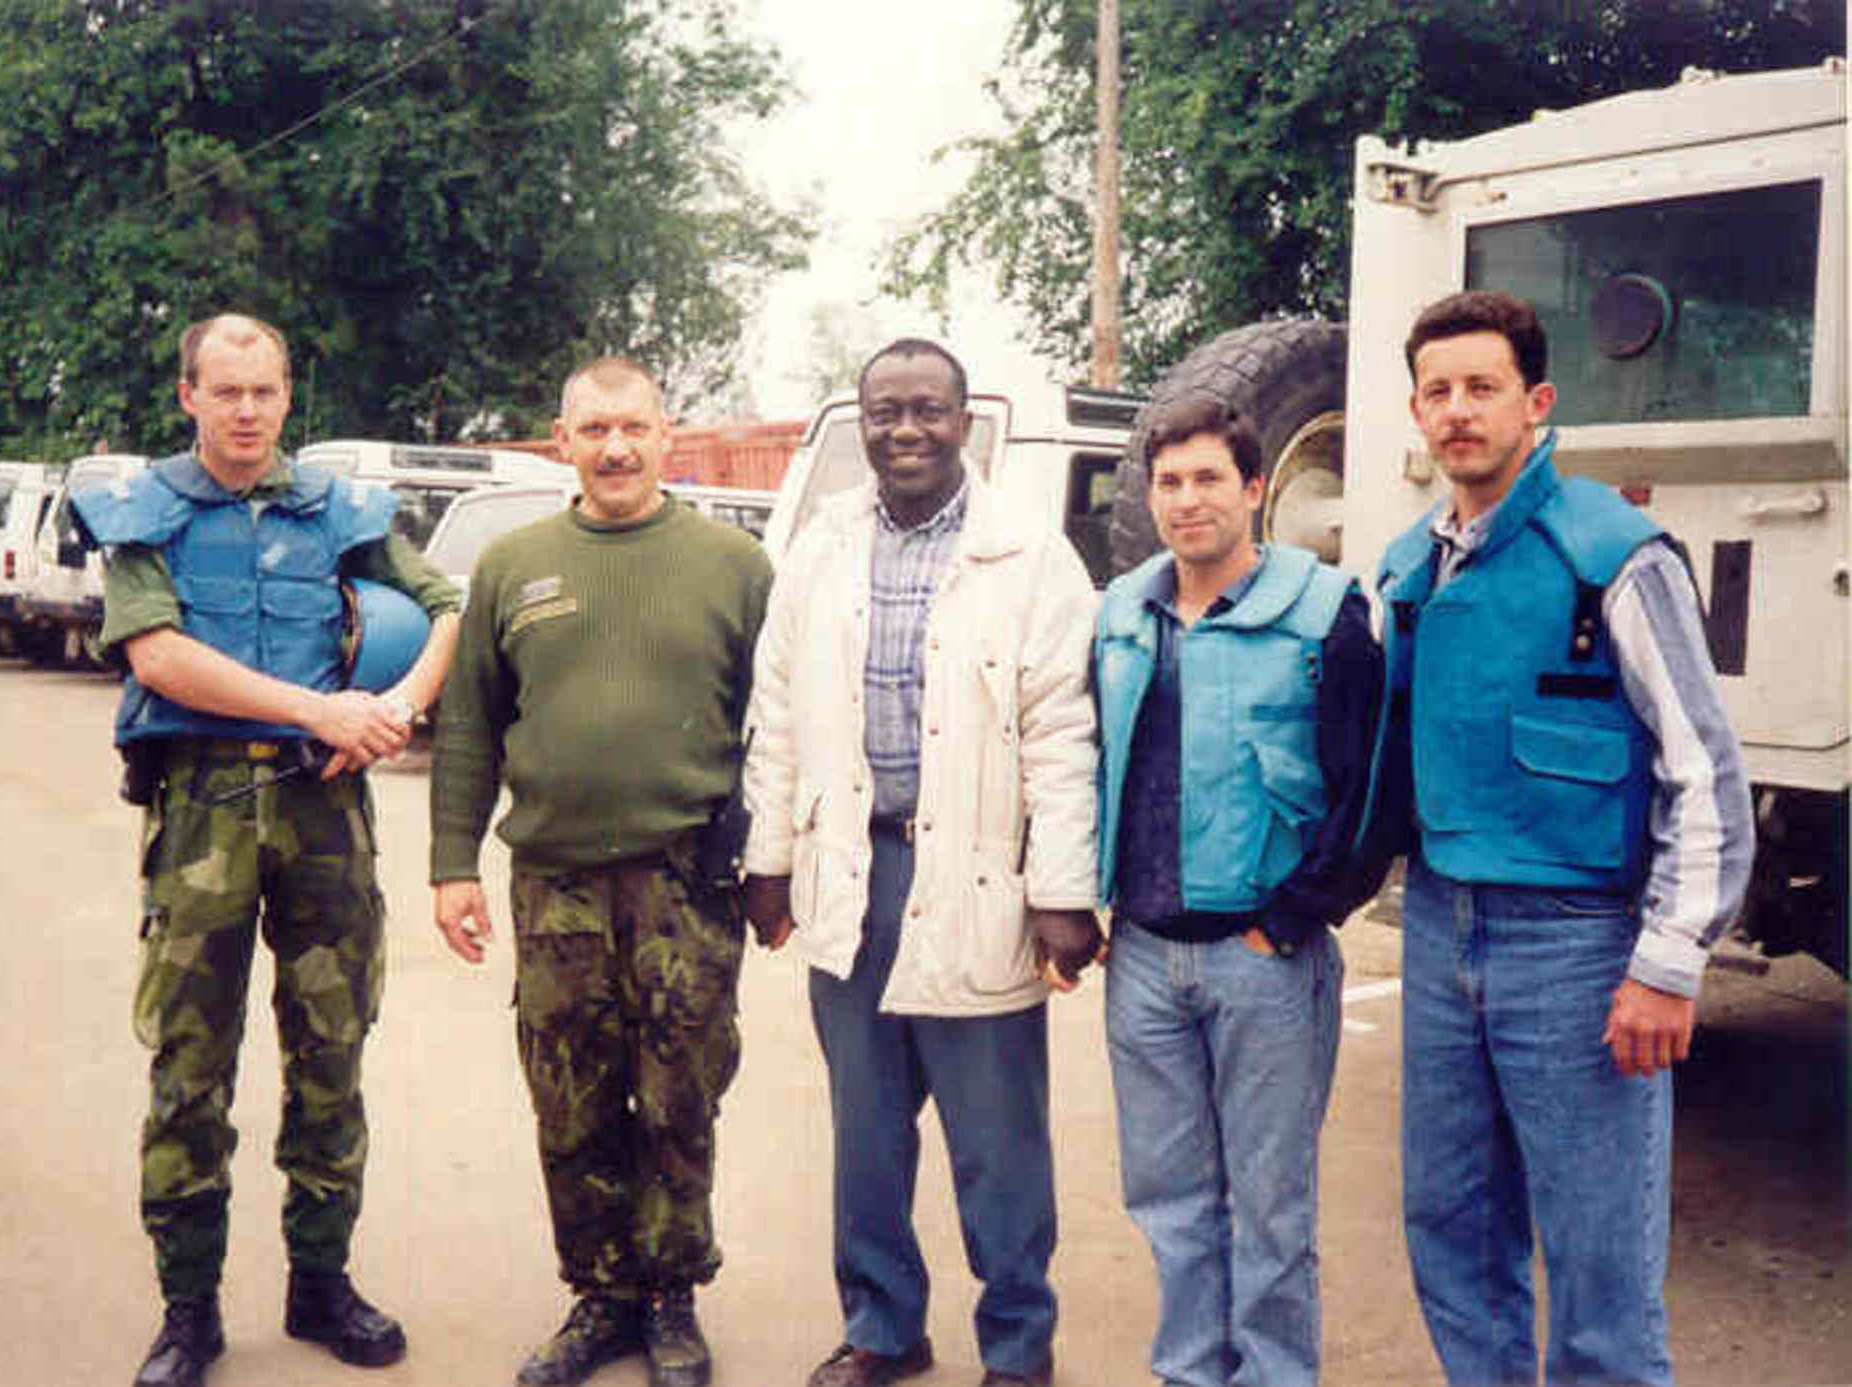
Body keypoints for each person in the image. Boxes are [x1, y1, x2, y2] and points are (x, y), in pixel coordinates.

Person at [1364, 290, 1754, 1386]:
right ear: (1414, 411)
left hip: (1577, 943)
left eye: (1481, 387)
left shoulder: (1613, 554)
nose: (1457, 410)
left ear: (1534, 403)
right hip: (1439, 925)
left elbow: (1704, 772)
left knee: (1597, 1266)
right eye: (1437, 391)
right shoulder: (1406, 567)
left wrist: (1667, 963)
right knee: (1451, 1230)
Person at [75, 312, 463, 1387]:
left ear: (289, 395)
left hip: (323, 806)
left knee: (332, 1046)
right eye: (226, 391)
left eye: (265, 391)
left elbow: (445, 608)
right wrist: (317, 707)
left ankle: (321, 1282)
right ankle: (188, 1309)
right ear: (188, 396)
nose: (247, 411)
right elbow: (159, 658)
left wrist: (392, 710)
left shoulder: (341, 511)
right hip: (205, 804)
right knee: (189, 1062)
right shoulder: (143, 514)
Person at [742, 338, 1103, 1387]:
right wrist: (768, 859)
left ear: (964, 420)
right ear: (862, 425)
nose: (906, 430)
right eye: (885, 412)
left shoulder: (1028, 554)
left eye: (928, 410)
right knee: (865, 1132)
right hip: (852, 874)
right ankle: (882, 1328)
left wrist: (1062, 893)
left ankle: (1018, 1347)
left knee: (998, 1144)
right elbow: (776, 715)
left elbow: (1062, 734)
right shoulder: (819, 547)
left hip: (979, 879)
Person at [429, 356, 773, 1387]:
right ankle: (600, 1294)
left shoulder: (735, 566)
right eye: (593, 430)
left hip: (685, 879)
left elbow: (779, 724)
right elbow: (468, 726)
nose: (615, 449)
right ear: (562, 441)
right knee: (570, 1096)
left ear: (666, 434)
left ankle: (670, 1298)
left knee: (680, 1093)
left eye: (632, 428)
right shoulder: (512, 565)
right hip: (556, 882)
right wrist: (452, 864)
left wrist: (774, 863)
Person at [1093, 397, 1382, 1386]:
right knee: (1169, 1200)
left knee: (1269, 1208)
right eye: (1168, 482)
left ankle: (1272, 1374)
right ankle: (1188, 1371)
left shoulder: (1325, 612)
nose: (1187, 500)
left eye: (1208, 477)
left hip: (1265, 958)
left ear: (1255, 488)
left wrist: (1291, 920)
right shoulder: (1120, 613)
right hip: (1141, 955)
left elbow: (1365, 792)